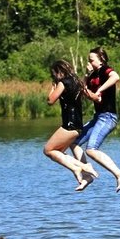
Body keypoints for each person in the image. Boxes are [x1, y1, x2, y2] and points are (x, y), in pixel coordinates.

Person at [71, 46, 120, 192]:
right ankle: (87, 175)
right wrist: (86, 75)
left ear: (101, 59)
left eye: (91, 59)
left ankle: (119, 173)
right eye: (88, 60)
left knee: (91, 149)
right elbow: (81, 90)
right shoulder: (92, 74)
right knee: (73, 143)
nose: (89, 62)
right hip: (98, 117)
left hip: (108, 117)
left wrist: (100, 89)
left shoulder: (105, 70)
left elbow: (116, 77)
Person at [43, 59, 99, 191]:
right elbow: (90, 96)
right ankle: (83, 173)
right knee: (58, 153)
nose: (54, 77)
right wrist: (97, 97)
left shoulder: (63, 83)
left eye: (54, 74)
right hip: (78, 126)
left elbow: (50, 101)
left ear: (58, 72)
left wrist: (53, 89)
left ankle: (83, 167)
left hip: (69, 125)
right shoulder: (77, 82)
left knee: (48, 150)